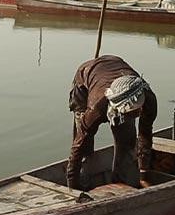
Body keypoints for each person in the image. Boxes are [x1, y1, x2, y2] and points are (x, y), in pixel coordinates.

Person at [66, 55, 157, 190]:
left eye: (136, 110)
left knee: (126, 142)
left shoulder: (148, 98)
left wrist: (144, 175)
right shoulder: (96, 107)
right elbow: (78, 143)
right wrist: (71, 185)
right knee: (85, 144)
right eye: (129, 111)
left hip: (116, 66)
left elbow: (145, 135)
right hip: (85, 78)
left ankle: (120, 182)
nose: (136, 114)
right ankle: (81, 180)